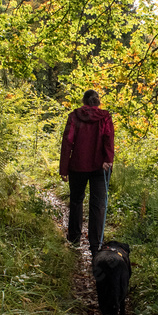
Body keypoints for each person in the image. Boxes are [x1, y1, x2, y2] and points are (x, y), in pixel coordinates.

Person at [60, 89, 115, 257]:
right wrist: (108, 159)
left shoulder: (74, 116)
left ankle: (74, 240)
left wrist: (64, 168)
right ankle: (95, 244)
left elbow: (68, 141)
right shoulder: (105, 117)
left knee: (76, 201)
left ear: (84, 101)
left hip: (77, 165)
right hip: (100, 166)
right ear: (98, 102)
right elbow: (108, 138)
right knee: (98, 206)